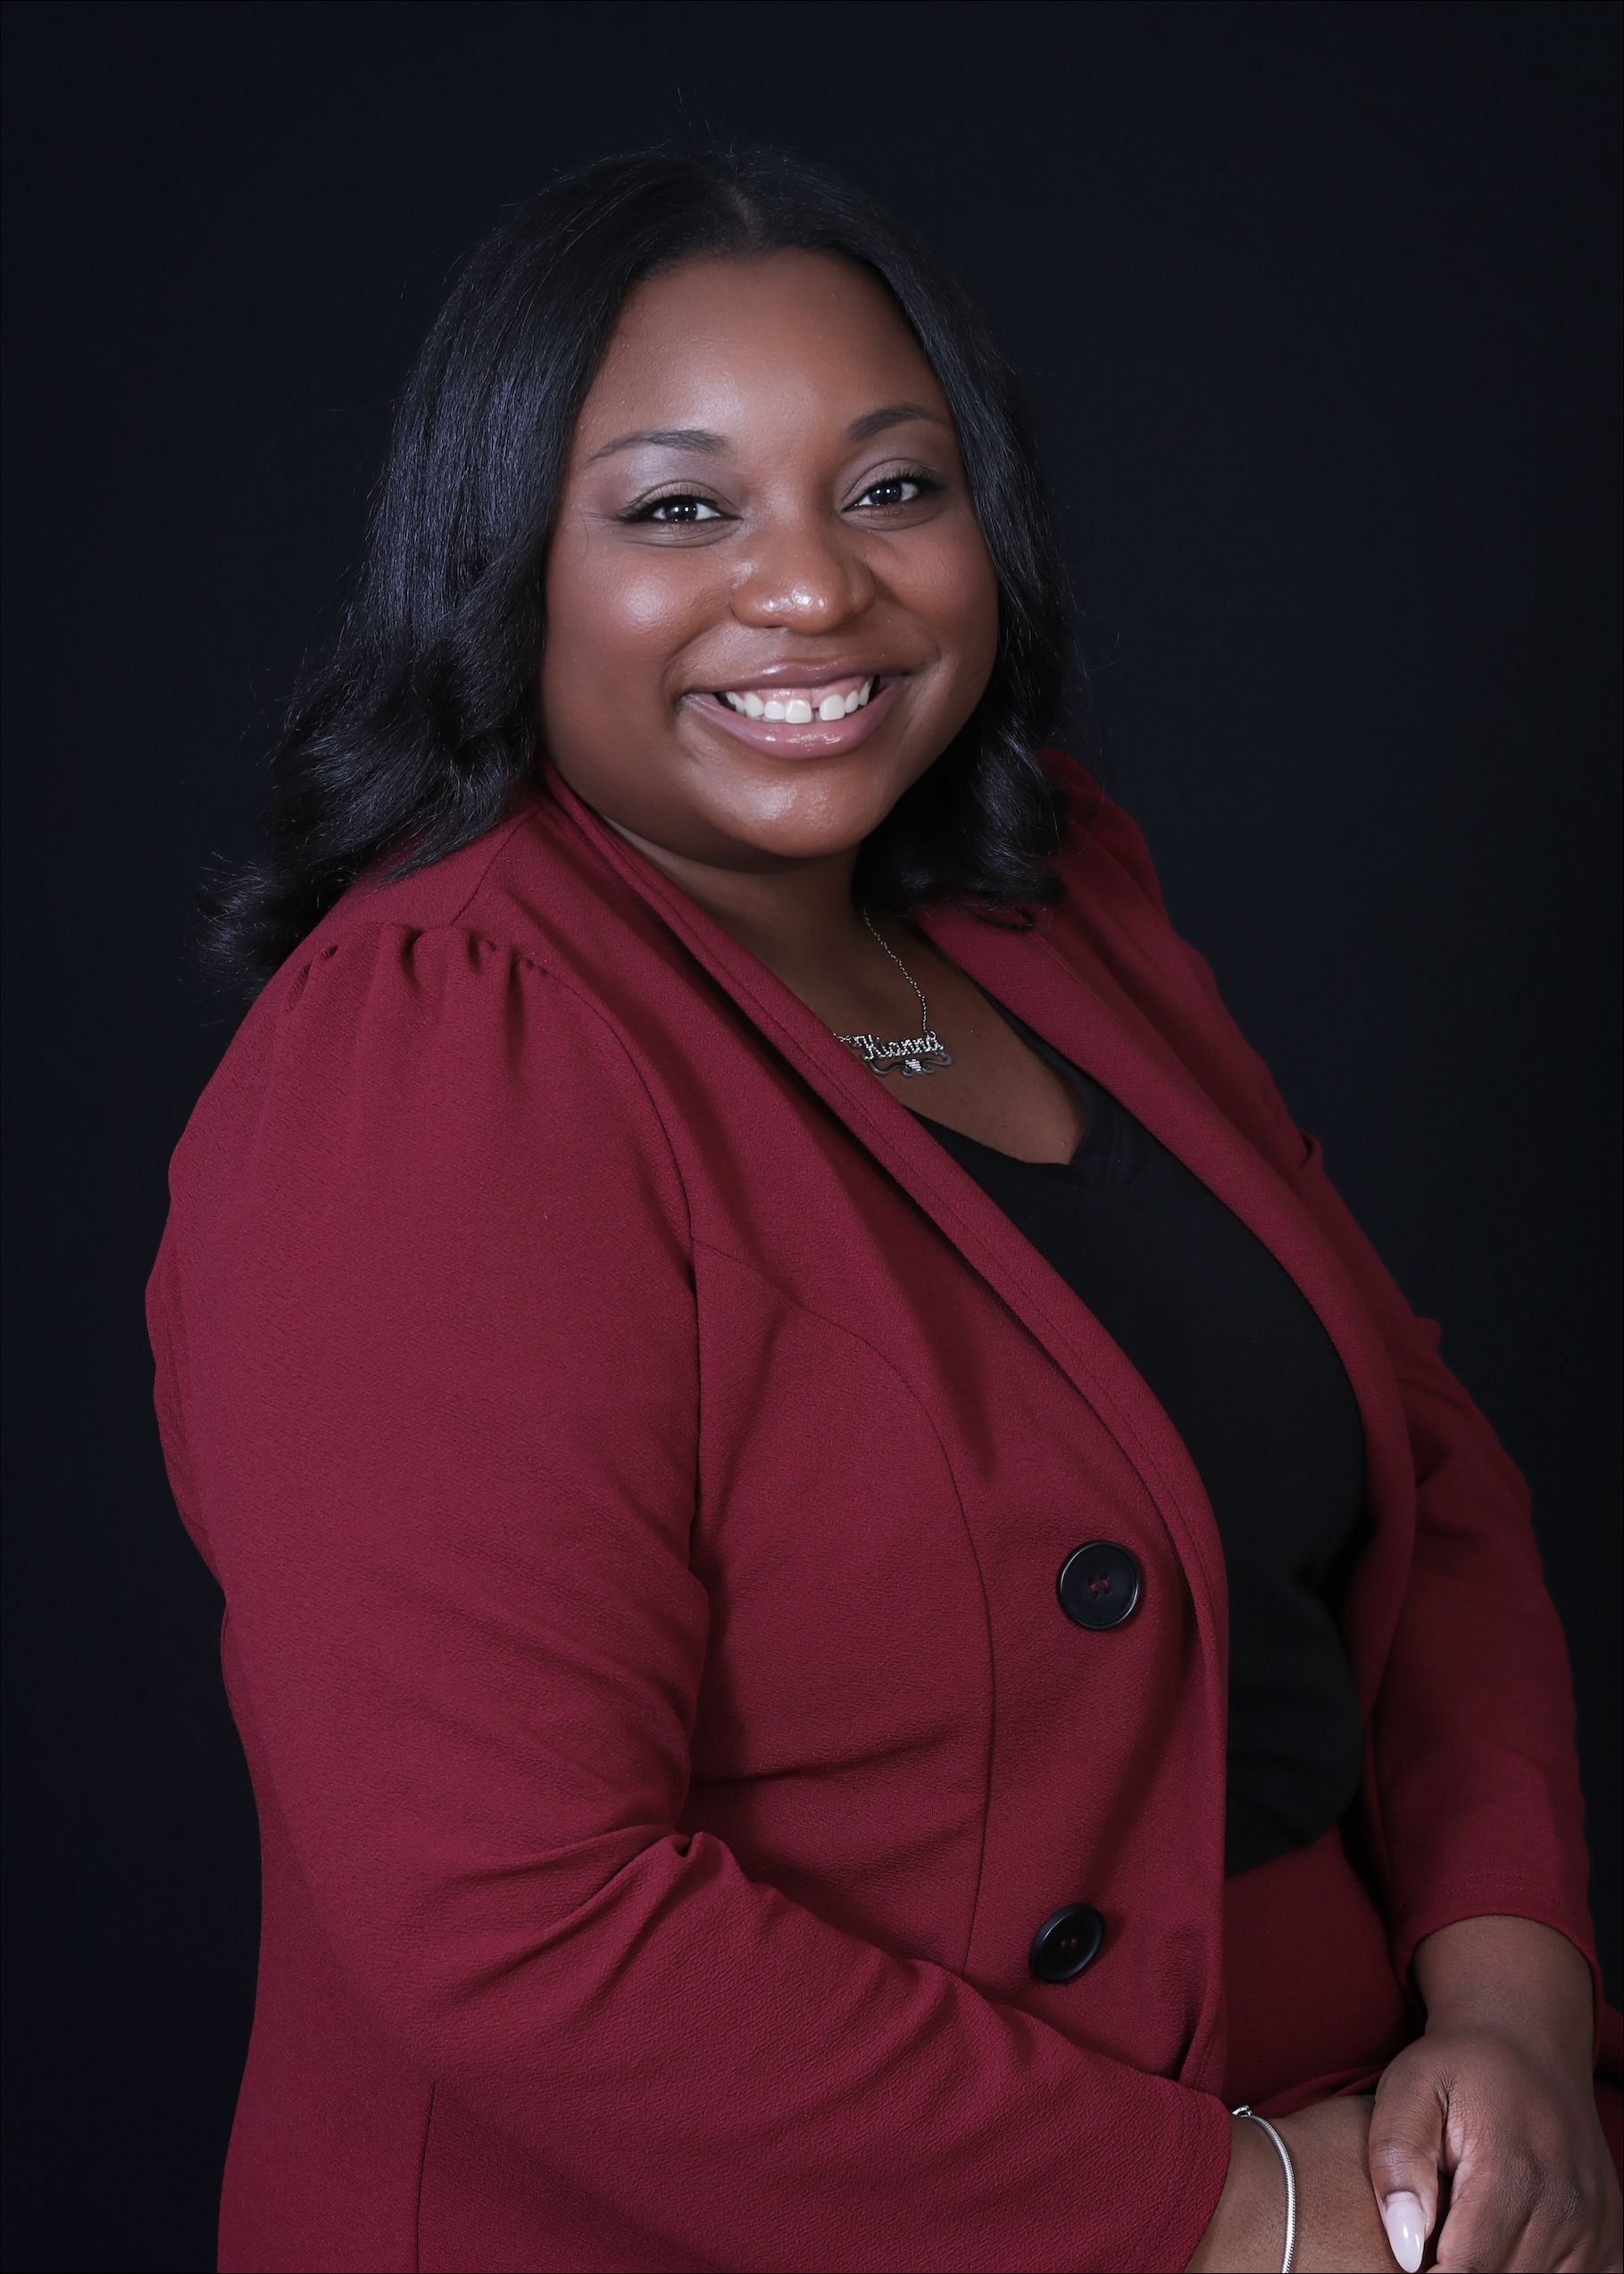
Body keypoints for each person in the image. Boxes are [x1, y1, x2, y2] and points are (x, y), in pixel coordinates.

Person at [146, 144, 1623, 2274]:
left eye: (891, 487)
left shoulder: (1049, 908)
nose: (816, 588)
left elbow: (1423, 1477)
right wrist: (1248, 2210)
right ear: (503, 564)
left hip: (1380, 2170)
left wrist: (1510, 2011)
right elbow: (514, 1907)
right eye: (678, 508)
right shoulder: (449, 1048)